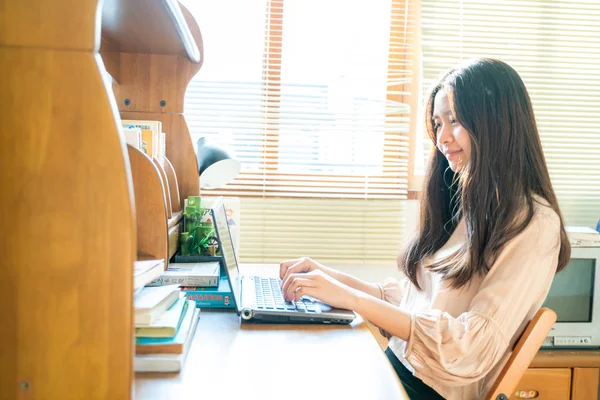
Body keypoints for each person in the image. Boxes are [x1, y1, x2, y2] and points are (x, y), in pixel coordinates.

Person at [279, 58, 570, 400]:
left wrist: (352, 299)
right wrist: (328, 277)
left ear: (497, 122)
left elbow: (472, 346)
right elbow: (417, 301)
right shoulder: (473, 204)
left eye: (455, 121)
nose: (442, 137)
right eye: (437, 122)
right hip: (398, 369)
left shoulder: (534, 224)